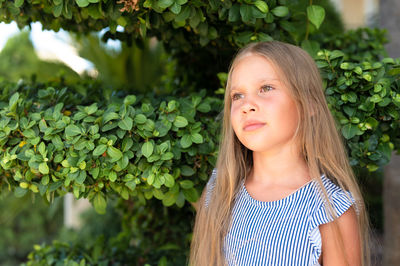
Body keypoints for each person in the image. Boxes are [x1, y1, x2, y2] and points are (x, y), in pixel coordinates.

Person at [189, 41, 371, 266]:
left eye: (266, 88)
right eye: (237, 95)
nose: (247, 105)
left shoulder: (330, 209)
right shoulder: (220, 191)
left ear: (309, 104)